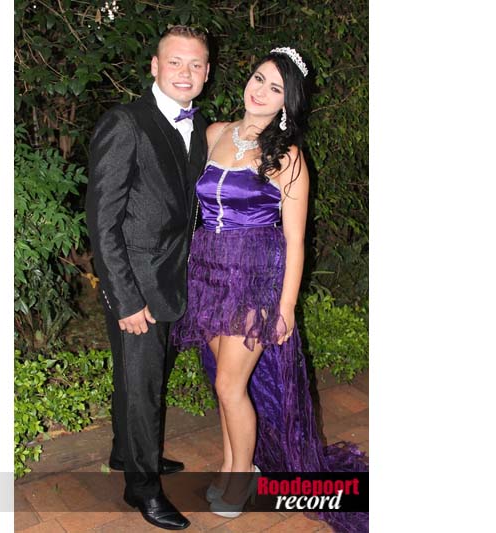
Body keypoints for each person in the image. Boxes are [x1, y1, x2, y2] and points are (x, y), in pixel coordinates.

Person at [171, 47, 369, 533]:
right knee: (222, 380)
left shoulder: (289, 158)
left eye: (275, 88)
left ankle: (241, 479)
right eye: (258, 78)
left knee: (229, 384)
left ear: (286, 102)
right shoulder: (215, 134)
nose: (260, 91)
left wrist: (286, 306)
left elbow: (296, 241)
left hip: (255, 279)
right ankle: (232, 465)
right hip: (207, 274)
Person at [85, 25, 210, 530]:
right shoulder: (126, 123)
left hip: (174, 280)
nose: (185, 72)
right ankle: (142, 488)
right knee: (143, 388)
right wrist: (124, 297)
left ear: (207, 72)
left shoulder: (199, 127)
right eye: (175, 62)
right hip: (135, 283)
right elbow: (102, 220)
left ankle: (126, 452)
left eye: (195, 64)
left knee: (140, 379)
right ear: (155, 67)